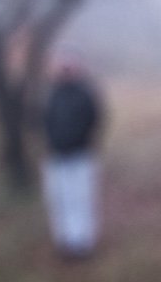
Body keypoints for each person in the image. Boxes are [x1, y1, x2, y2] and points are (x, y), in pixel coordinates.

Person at [42, 62, 104, 260]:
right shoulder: (52, 94)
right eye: (62, 67)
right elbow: (45, 121)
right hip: (56, 156)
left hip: (79, 155)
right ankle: (65, 241)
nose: (65, 71)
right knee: (60, 200)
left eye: (69, 66)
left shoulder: (85, 93)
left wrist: (81, 142)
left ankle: (82, 242)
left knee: (80, 199)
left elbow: (94, 120)